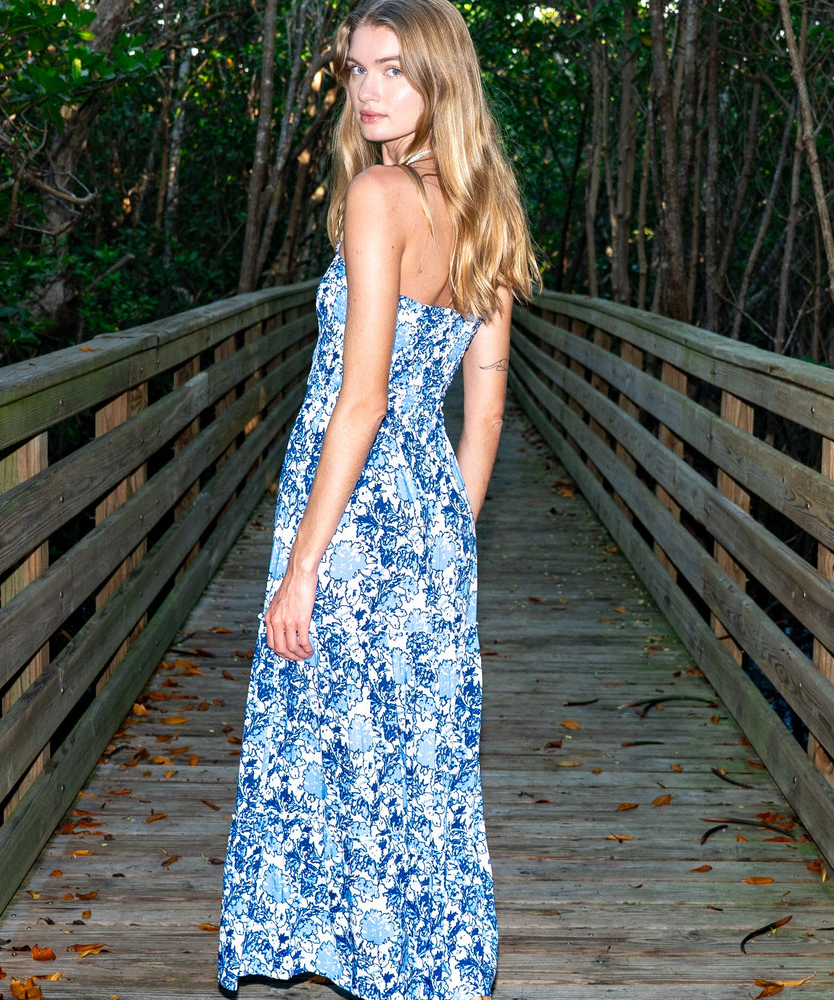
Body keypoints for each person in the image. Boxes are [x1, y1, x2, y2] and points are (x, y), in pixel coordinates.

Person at [218, 1, 538, 998]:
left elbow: (360, 399)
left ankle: (361, 956)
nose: (366, 90)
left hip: (349, 516)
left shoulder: (379, 194)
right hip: (431, 518)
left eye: (392, 69)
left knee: (339, 746)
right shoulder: (487, 208)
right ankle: (422, 963)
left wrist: (303, 567)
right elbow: (483, 414)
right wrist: (444, 542)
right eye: (356, 69)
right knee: (413, 757)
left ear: (440, 78)